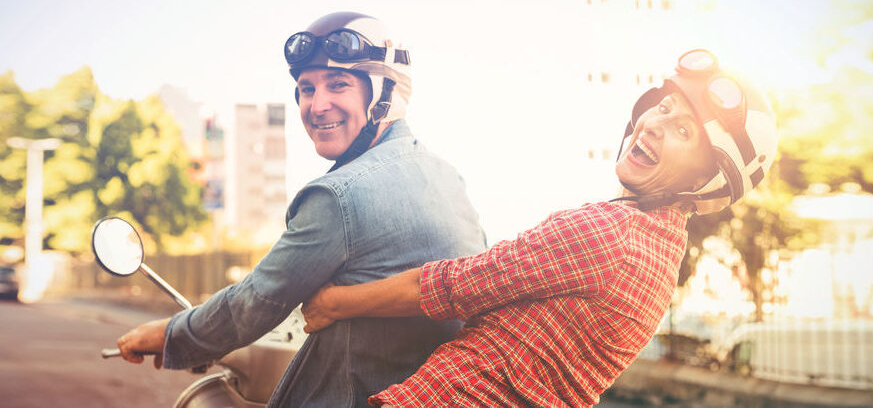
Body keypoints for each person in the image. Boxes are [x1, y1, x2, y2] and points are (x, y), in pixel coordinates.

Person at [301, 49, 779, 406]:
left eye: (683, 132)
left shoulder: (610, 234)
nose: (655, 124)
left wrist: (333, 304)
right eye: (666, 107)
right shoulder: (658, 254)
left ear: (705, 181)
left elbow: (453, 287)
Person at [114, 11, 487, 407]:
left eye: (338, 85)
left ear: (384, 94)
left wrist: (170, 335)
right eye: (307, 89)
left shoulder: (338, 196)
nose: (317, 105)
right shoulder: (449, 179)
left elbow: (255, 302)